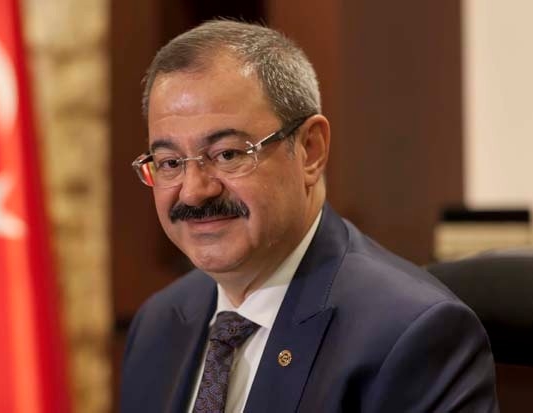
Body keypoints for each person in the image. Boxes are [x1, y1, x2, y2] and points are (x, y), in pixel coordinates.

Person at [120, 20, 498, 413]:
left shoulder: (413, 335)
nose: (194, 191)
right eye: (170, 162)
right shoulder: (158, 324)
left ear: (310, 151)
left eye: (228, 154)